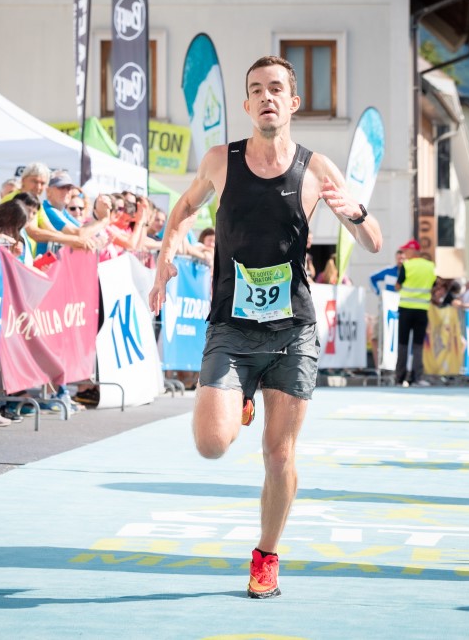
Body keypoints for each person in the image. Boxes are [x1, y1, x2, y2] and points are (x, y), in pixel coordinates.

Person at [148, 55, 382, 599]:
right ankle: (241, 395)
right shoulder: (220, 161)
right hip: (231, 327)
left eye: (276, 88)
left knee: (279, 454)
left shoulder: (317, 169)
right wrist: (165, 255)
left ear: (292, 102)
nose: (266, 97)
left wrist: (354, 210)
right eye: (256, 90)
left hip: (292, 332)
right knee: (212, 444)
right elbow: (183, 208)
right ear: (248, 105)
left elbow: (372, 239)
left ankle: (266, 556)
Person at [394, 238, 435, 386]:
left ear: (413, 251)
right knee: (418, 345)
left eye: (406, 250)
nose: (404, 253)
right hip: (422, 310)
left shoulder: (407, 265)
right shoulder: (430, 266)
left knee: (403, 343)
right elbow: (433, 285)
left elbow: (398, 286)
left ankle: (399, 378)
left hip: (406, 309)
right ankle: (417, 377)